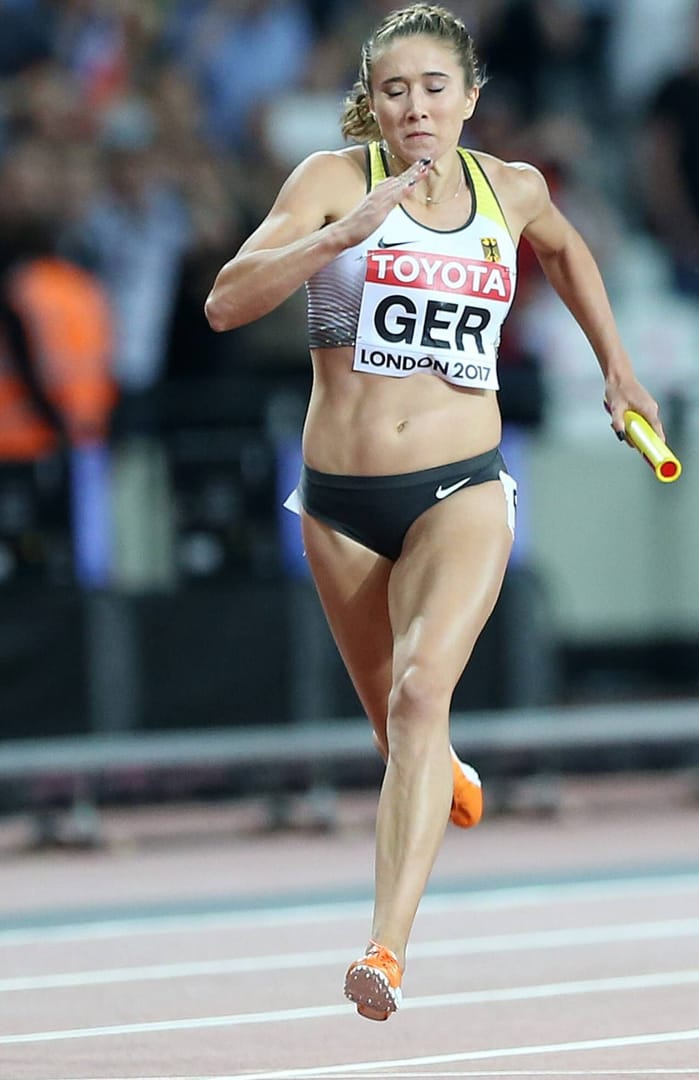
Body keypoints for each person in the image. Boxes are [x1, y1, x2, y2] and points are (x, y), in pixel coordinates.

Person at [203, 3, 661, 1021]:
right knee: (398, 728)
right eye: (396, 90)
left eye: (435, 88)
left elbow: (572, 252)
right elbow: (227, 302)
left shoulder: (514, 186)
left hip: (462, 485)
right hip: (337, 504)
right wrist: (348, 232)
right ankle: (437, 763)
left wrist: (618, 370)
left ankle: (386, 950)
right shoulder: (332, 180)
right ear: (375, 99)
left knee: (418, 698)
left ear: (470, 96)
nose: (416, 107)